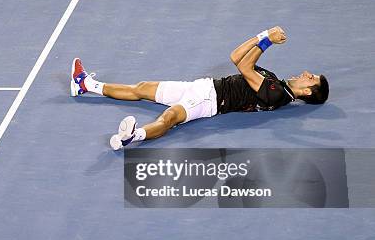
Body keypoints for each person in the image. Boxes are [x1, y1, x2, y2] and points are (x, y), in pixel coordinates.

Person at [70, 26, 329, 150]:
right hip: (202, 87)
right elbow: (236, 56)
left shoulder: (278, 94)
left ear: (307, 92)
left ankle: (133, 136)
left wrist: (268, 43)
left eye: (311, 78)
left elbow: (246, 69)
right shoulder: (278, 83)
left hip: (209, 102)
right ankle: (85, 84)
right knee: (141, 88)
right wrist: (263, 35)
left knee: (169, 118)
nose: (306, 74)